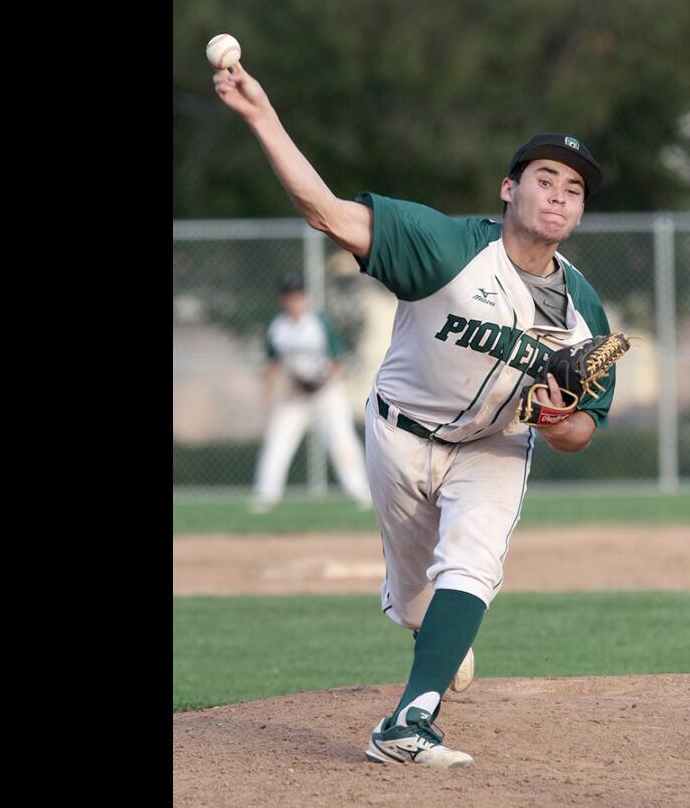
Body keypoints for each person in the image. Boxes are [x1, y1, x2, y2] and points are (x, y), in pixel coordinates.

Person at [213, 60, 618, 769]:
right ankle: (431, 632)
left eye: (573, 189)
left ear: (580, 213)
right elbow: (326, 213)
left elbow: (584, 432)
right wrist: (259, 116)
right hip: (399, 434)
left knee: (476, 562)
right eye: (544, 179)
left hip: (495, 447)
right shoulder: (446, 248)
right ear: (509, 189)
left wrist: (559, 422)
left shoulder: (585, 311)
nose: (557, 197)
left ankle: (407, 721)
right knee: (413, 601)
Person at [250, 273, 373, 513]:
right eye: (288, 296)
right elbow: (272, 364)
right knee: (277, 442)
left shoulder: (318, 322)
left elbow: (338, 360)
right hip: (294, 394)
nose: (292, 301)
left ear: (304, 297)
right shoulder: (277, 326)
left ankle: (361, 493)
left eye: (296, 296)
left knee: (341, 441)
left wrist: (321, 383)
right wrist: (268, 393)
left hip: (326, 392)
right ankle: (265, 495)